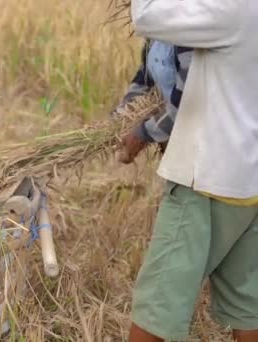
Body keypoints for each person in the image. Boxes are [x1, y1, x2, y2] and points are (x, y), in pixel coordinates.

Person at [125, 1, 258, 341]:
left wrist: (143, 132)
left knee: (156, 308)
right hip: (248, 183)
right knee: (247, 311)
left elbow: (146, 16)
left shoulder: (228, 7)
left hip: (206, 181)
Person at [113, 39, 193, 162]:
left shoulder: (189, 41)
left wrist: (142, 134)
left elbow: (185, 102)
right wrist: (122, 115)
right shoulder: (154, 37)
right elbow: (144, 80)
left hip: (206, 143)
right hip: (178, 144)